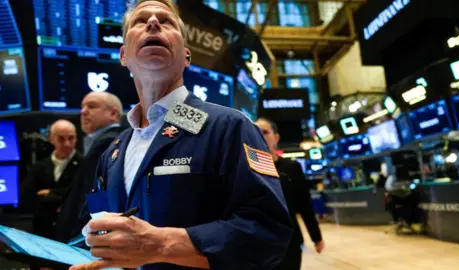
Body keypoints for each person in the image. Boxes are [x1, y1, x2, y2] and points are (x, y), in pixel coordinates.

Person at [69, 1, 292, 270]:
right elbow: (96, 217)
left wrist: (162, 245)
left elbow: (269, 232)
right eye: (140, 21)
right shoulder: (113, 151)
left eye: (167, 22)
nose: (153, 23)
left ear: (186, 56)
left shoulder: (229, 127)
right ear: (123, 55)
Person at [255, 117, 325, 270]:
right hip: (257, 243)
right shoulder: (246, 169)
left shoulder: (292, 168)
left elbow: (305, 206)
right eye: (255, 132)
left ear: (276, 137)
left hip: (289, 242)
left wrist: (316, 237)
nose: (260, 136)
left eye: (265, 132)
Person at [53, 92, 124, 243]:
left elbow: (94, 193)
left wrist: (78, 238)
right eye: (82, 107)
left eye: (91, 106)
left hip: (84, 239)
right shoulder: (109, 141)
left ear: (113, 113)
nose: (83, 111)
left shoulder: (108, 142)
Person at [21, 119, 82, 239]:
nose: (67, 144)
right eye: (61, 139)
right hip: (42, 231)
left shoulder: (84, 164)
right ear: (51, 139)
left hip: (72, 232)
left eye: (71, 138)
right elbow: (26, 196)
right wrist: (63, 196)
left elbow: (81, 197)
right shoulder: (39, 166)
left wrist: (50, 193)